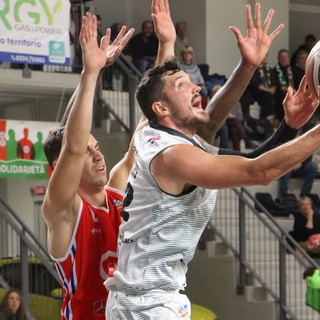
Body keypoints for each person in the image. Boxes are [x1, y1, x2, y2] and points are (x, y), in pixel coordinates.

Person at [105, 1, 320, 319]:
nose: (196, 87)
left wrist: (253, 72)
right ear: (162, 110)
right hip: (145, 306)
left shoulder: (166, 138)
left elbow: (250, 155)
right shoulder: (172, 156)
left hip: (152, 300)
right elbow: (259, 171)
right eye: (183, 85)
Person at [41, 14, 138, 319]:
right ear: (58, 168)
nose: (99, 155)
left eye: (97, 148)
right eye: (89, 151)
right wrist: (90, 74)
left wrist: (166, 44)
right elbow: (71, 145)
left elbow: (144, 138)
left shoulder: (116, 195)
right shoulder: (63, 211)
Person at [279, 121, 318, 197]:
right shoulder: (285, 141)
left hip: (300, 167)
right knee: (286, 168)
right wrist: (292, 164)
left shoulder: (305, 141)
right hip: (288, 167)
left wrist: (301, 163)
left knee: (313, 166)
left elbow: (309, 156)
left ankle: (305, 194)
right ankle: (283, 195)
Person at [240, 53, 276, 122]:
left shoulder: (270, 70)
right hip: (256, 91)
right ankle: (263, 118)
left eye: (265, 56)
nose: (264, 58)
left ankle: (273, 118)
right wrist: (268, 90)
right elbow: (255, 84)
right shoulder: (254, 68)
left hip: (267, 91)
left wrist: (272, 89)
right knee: (267, 95)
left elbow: (274, 83)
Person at [273, 49, 295, 125]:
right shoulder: (274, 71)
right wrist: (290, 90)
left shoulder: (293, 70)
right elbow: (278, 86)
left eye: (286, 57)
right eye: (282, 57)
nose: (284, 59)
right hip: (280, 95)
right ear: (278, 59)